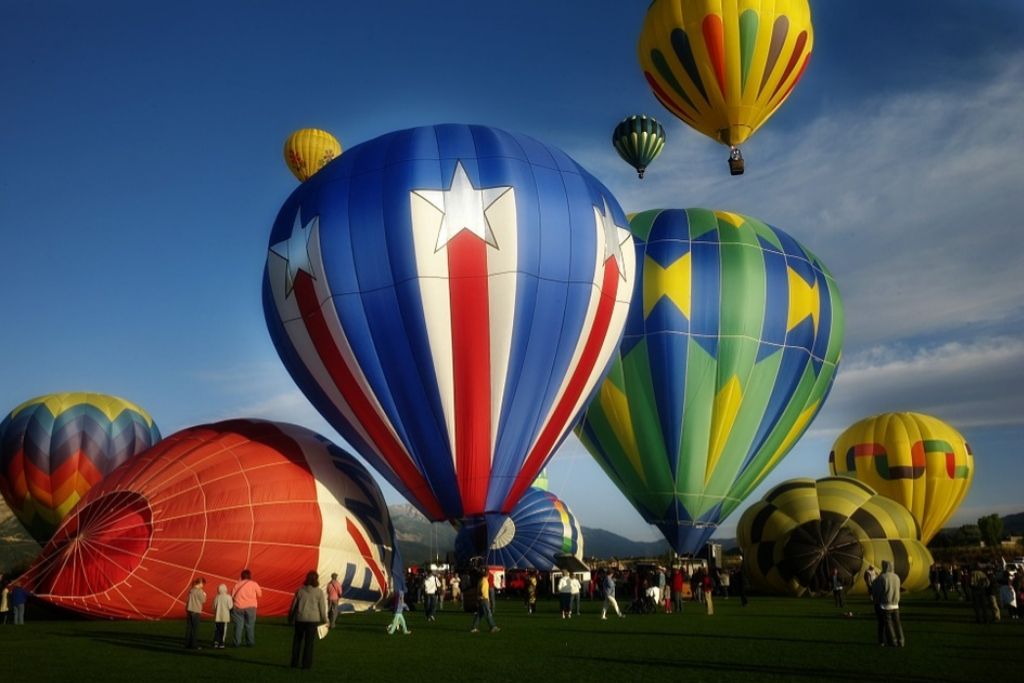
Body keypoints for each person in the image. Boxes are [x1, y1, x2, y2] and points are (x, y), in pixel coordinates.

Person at [288, 570, 328, 669]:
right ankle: (306, 664)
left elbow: (293, 606)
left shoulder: (300, 590)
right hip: (313, 620)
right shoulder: (319, 592)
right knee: (309, 643)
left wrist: (290, 617)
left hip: (300, 619)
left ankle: (294, 663)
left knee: (297, 642)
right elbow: (322, 608)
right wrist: (326, 620)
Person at [871, 560, 904, 647]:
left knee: (888, 624)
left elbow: (876, 589)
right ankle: (901, 641)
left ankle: (893, 641)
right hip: (896, 604)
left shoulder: (882, 577)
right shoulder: (896, 577)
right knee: (897, 623)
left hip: (886, 605)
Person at [231, 569, 263, 647]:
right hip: (251, 607)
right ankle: (250, 642)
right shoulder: (254, 584)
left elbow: (232, 595)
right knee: (250, 625)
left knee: (238, 626)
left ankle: (236, 643)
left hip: (238, 607)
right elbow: (260, 594)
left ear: (241, 576)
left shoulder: (237, 584)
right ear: (250, 576)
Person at [184, 577, 207, 650]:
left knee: (189, 628)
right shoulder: (199, 591)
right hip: (196, 611)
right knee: (195, 629)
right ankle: (194, 645)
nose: (203, 585)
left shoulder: (191, 590)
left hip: (189, 610)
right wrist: (204, 595)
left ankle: (187, 644)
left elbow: (187, 600)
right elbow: (203, 601)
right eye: (203, 584)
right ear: (200, 583)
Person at [212, 584, 233, 649]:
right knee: (223, 630)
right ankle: (221, 643)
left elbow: (213, 607)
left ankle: (216, 642)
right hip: (224, 616)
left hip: (217, 616)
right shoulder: (228, 597)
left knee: (217, 630)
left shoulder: (217, 597)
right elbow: (230, 606)